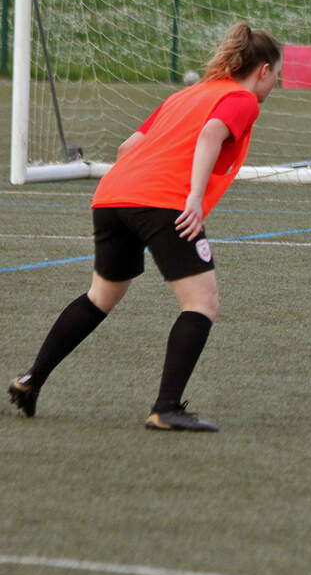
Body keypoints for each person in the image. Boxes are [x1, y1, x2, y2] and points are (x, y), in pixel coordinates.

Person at [8, 23, 282, 431]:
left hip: (112, 196)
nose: (276, 83)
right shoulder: (240, 98)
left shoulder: (185, 94)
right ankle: (166, 407)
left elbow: (126, 149)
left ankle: (31, 380)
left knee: (101, 295)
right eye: (277, 74)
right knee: (202, 303)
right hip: (162, 202)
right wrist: (193, 197)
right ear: (261, 70)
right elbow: (211, 134)